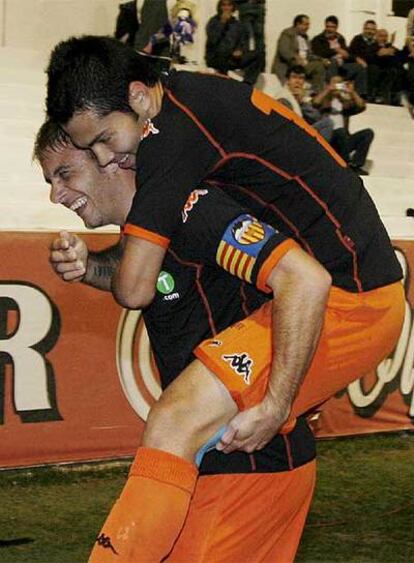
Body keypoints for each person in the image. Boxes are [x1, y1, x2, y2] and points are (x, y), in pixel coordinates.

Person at [45, 36, 405, 561]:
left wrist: (278, 401)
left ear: (140, 97)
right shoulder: (193, 102)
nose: (108, 155)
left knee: (174, 418)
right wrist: (95, 264)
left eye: (102, 140)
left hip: (351, 297)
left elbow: (138, 286)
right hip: (346, 290)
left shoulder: (170, 145)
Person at [34, 120, 317, 562]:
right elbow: (147, 270)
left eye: (64, 174)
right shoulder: (148, 230)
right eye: (50, 181)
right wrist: (91, 269)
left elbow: (300, 279)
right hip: (207, 461)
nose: (55, 195)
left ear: (111, 157)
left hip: (250, 463)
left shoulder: (194, 209)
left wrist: (279, 402)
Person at [312, 75, 374, 175]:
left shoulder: (345, 103)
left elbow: (361, 106)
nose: (336, 86)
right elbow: (314, 103)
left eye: (339, 83)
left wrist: (352, 92)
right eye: (334, 83)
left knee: (368, 133)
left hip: (343, 142)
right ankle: (346, 164)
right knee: (340, 131)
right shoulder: (324, 101)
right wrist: (328, 90)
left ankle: (355, 165)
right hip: (328, 140)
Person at [205, 0, 261, 85]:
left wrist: (240, 50)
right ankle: (224, 83)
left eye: (229, 5)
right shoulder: (213, 21)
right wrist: (222, 23)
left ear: (233, 7)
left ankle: (247, 84)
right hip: (216, 57)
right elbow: (213, 40)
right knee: (221, 54)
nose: (226, 8)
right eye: (224, 5)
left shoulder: (237, 24)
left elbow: (242, 42)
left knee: (258, 55)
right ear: (220, 7)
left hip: (232, 58)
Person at [311, 15, 366, 97]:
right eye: (328, 27)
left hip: (342, 65)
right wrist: (335, 50)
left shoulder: (340, 38)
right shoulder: (318, 39)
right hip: (328, 64)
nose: (330, 29)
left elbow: (346, 53)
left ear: (336, 27)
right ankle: (333, 92)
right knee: (333, 61)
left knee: (359, 67)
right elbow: (319, 52)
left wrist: (356, 58)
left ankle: (360, 95)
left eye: (332, 27)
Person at [277, 65, 334, 141]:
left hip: (302, 130)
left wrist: (301, 103)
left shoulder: (303, 96)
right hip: (291, 134)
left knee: (332, 126)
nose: (297, 81)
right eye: (294, 77)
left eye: (301, 78)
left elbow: (316, 117)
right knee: (328, 123)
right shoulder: (283, 96)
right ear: (288, 80)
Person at [271, 14, 325, 93]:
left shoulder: (305, 37)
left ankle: (316, 92)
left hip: (303, 65)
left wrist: (322, 59)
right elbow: (284, 51)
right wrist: (296, 57)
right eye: (305, 24)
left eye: (308, 25)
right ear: (298, 24)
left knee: (320, 64)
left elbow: (309, 55)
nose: (307, 27)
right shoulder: (287, 33)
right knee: (317, 66)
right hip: (289, 65)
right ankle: (317, 92)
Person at [349, 20, 380, 101]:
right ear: (363, 29)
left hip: (370, 65)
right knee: (368, 68)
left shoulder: (376, 43)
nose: (370, 31)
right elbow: (354, 54)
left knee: (375, 68)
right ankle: (363, 95)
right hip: (356, 64)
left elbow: (376, 57)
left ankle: (372, 96)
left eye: (372, 29)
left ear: (375, 31)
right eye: (367, 29)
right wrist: (374, 55)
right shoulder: (357, 39)